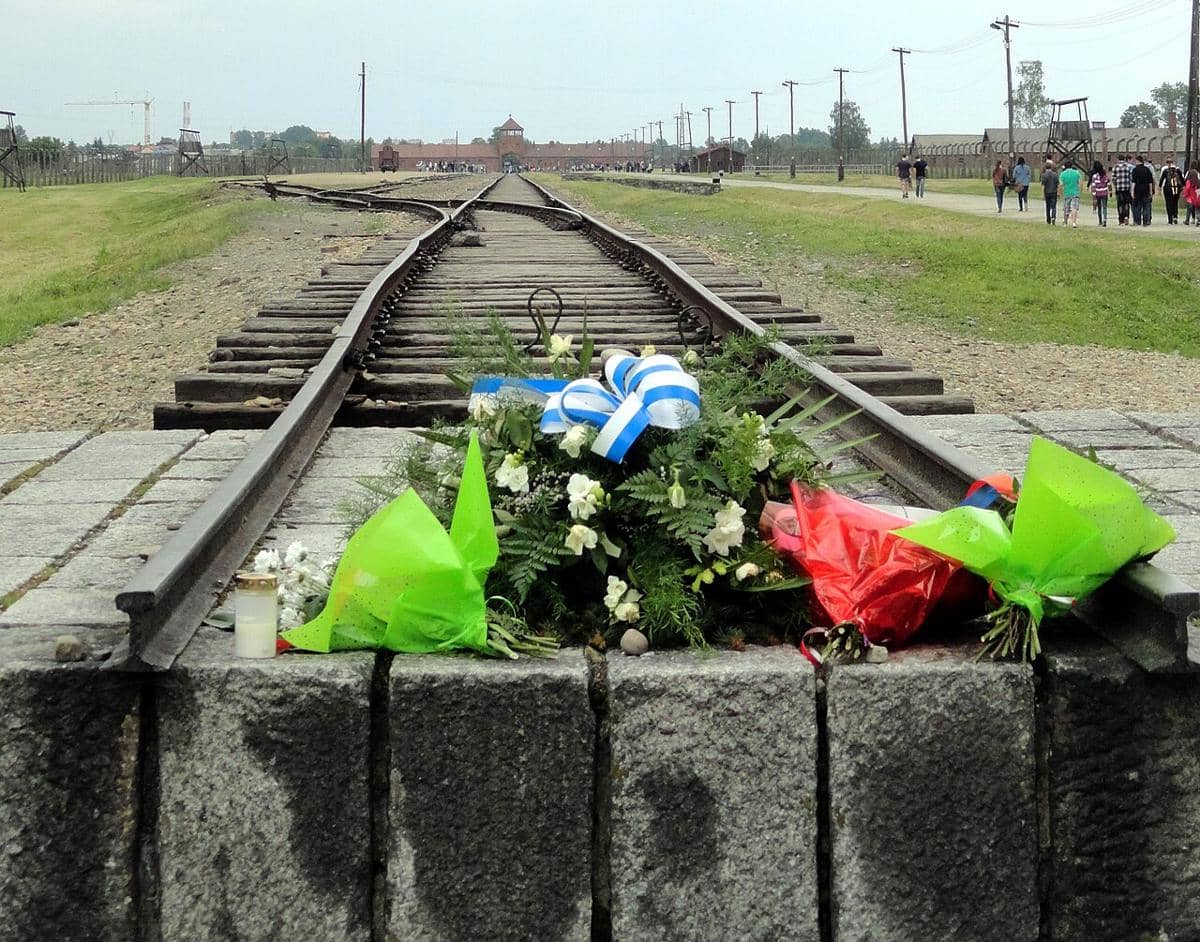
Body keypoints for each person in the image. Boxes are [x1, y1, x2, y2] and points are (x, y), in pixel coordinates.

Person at [1130, 154, 1155, 226]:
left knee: (1137, 206)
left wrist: (1132, 192)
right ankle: (1146, 221)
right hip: (1146, 190)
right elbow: (1150, 182)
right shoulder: (1147, 170)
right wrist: (1150, 191)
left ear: (1138, 161)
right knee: (1146, 206)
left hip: (1137, 190)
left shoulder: (1135, 170)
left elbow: (1133, 182)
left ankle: (1137, 221)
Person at [1059, 159, 1085, 228]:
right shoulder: (1077, 173)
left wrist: (1060, 193)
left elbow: (1061, 185)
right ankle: (1074, 222)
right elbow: (1080, 183)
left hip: (1067, 192)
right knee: (1074, 208)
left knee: (1066, 208)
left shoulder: (1062, 174)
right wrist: (1080, 191)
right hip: (1075, 192)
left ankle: (1065, 222)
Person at [1159, 158, 1184, 225]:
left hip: (1168, 189)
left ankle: (1170, 219)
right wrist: (1182, 188)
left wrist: (1160, 188)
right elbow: (1182, 180)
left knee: (1168, 203)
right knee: (1175, 203)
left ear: (1167, 163)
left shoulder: (1165, 170)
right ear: (1173, 162)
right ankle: (1175, 217)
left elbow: (1161, 180)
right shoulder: (1178, 170)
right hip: (1176, 188)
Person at [1112, 154, 1134, 225]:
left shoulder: (1116, 167)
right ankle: (1126, 216)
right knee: (1126, 203)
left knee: (1120, 204)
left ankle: (1121, 220)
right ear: (1124, 159)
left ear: (1118, 159)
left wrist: (1115, 185)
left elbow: (1113, 178)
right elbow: (1131, 177)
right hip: (1127, 188)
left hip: (1119, 188)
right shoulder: (1128, 167)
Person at [1089, 160, 1110, 227]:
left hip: (1098, 193)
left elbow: (1093, 186)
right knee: (1104, 207)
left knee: (1099, 208)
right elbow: (1109, 184)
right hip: (1104, 193)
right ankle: (1105, 220)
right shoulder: (1105, 176)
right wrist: (1110, 191)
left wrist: (1094, 195)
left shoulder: (1094, 176)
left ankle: (1100, 221)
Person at [1041, 160, 1059, 224]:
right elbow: (1058, 184)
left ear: (1045, 167)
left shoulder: (1044, 175)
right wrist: (1059, 192)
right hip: (1054, 192)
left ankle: (1048, 219)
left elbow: (1043, 185)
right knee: (1054, 206)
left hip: (1047, 192)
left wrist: (1042, 194)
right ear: (1051, 167)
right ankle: (1053, 217)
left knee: (1047, 206)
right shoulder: (1055, 174)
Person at [1185, 160, 1200, 225]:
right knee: (1197, 205)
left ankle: (1188, 219)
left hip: (1191, 190)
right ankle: (1198, 219)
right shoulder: (1198, 173)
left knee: (1189, 206)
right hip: (1197, 190)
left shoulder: (1189, 172)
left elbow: (1186, 180)